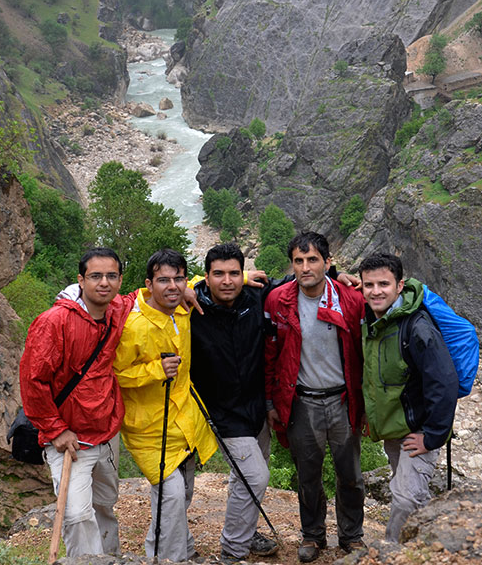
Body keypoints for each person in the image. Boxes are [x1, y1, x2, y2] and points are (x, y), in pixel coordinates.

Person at [17, 247, 130, 556]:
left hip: (105, 432)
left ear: (120, 281)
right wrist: (55, 431)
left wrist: (191, 289)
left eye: (111, 276)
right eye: (95, 276)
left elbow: (151, 293)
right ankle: (86, 562)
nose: (103, 283)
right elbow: (32, 380)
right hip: (70, 439)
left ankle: (110, 557)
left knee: (105, 504)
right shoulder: (54, 322)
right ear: (81, 280)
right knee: (77, 514)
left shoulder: (117, 309)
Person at [264, 231, 367, 562]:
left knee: (349, 474)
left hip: (342, 400)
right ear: (291, 264)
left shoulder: (351, 300)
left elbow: (364, 353)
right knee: (308, 475)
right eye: (298, 260)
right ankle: (313, 535)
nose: (305, 267)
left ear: (328, 262)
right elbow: (270, 356)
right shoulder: (278, 300)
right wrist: (271, 403)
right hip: (301, 402)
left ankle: (351, 536)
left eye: (312, 260)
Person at [113, 248, 219, 561]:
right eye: (163, 280)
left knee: (181, 494)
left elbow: (207, 280)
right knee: (171, 496)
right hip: (149, 428)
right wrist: (155, 371)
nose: (172, 286)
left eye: (178, 279)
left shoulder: (182, 306)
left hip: (184, 420)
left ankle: (182, 548)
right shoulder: (134, 325)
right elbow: (116, 374)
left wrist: (244, 275)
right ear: (149, 283)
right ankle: (166, 558)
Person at [357, 253, 457, 543]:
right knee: (414, 498)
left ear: (400, 286)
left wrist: (432, 436)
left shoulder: (417, 328)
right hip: (393, 427)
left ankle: (390, 554)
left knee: (404, 500)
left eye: (383, 284)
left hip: (418, 433)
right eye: (369, 284)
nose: (376, 291)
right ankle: (431, 549)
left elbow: (445, 383)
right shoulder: (374, 318)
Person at [190, 243, 279, 561]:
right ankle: (233, 550)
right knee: (255, 475)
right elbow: (146, 297)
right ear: (206, 277)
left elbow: (299, 285)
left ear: (243, 274)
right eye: (219, 274)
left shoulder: (256, 296)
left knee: (248, 476)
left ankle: (247, 530)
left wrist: (341, 278)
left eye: (234, 273)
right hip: (221, 413)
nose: (226, 281)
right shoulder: (190, 309)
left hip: (256, 408)